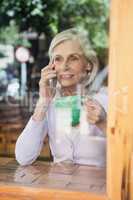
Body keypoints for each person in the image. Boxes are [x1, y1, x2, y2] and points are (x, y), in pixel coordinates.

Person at [15, 28, 108, 167]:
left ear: (88, 64)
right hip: (59, 186)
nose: (64, 66)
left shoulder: (105, 99)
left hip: (98, 187)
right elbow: (23, 157)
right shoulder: (50, 103)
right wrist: (43, 102)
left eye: (73, 58)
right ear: (51, 66)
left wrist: (103, 123)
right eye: (58, 59)